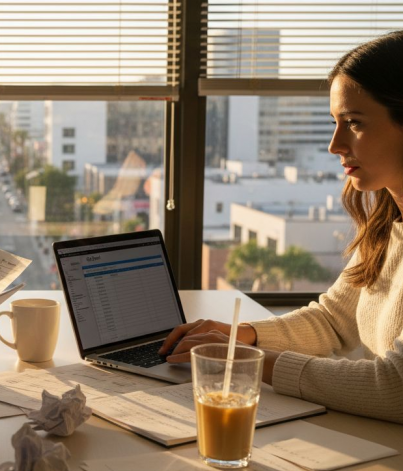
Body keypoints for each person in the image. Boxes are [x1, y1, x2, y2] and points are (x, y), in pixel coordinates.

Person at [160, 31, 403, 425]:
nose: (334, 144)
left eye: (353, 123)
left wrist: (248, 360)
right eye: (334, 122)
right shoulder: (386, 224)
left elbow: (396, 387)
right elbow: (333, 322)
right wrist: (240, 335)